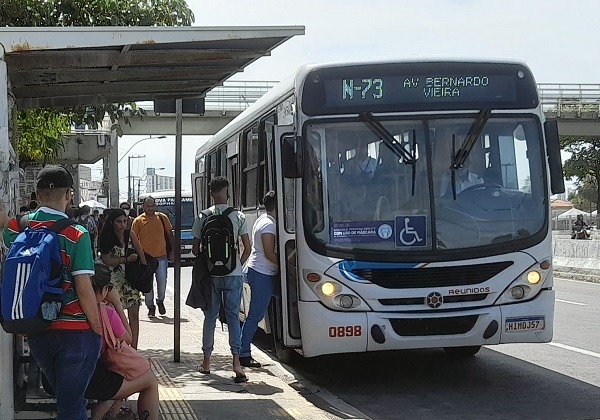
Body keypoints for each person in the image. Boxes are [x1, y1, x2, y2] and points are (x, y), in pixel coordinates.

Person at [2, 165, 101, 419]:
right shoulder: (77, 234)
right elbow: (84, 288)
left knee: (69, 403)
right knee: (71, 406)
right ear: (69, 194)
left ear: (37, 194)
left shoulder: (17, 227)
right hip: (76, 332)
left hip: (37, 329)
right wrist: (97, 327)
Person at [192, 176, 251, 382]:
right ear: (227, 193)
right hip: (233, 274)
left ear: (210, 194)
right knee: (233, 318)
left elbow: (195, 249)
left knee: (210, 318)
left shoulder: (203, 216)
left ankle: (206, 362)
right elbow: (247, 248)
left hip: (211, 275)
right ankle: (236, 363)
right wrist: (237, 265)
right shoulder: (238, 216)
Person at [85, 263, 160, 420]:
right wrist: (118, 304)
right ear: (105, 290)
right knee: (150, 380)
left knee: (117, 380)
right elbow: (128, 338)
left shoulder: (73, 309)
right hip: (93, 377)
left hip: (63, 375)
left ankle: (107, 415)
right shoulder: (107, 313)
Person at [99, 209, 148, 349]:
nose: (122, 225)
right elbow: (107, 260)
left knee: (134, 314)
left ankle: (134, 348)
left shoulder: (130, 234)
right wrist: (125, 260)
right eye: (119, 221)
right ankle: (120, 346)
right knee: (116, 314)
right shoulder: (106, 237)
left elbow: (140, 252)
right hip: (114, 280)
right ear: (112, 222)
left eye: (125, 221)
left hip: (131, 279)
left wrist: (144, 272)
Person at [240, 191, 278, 368]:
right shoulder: (269, 225)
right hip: (262, 273)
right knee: (255, 315)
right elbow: (269, 253)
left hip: (259, 270)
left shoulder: (262, 219)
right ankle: (243, 353)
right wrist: (285, 265)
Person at [132, 196, 175, 318]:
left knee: (162, 282)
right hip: (145, 259)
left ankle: (160, 300)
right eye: (148, 206)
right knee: (147, 286)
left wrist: (173, 251)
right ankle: (150, 307)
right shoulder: (138, 221)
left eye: (152, 206)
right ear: (143, 207)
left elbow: (170, 235)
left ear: (155, 206)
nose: (150, 208)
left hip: (161, 257)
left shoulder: (162, 218)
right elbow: (133, 239)